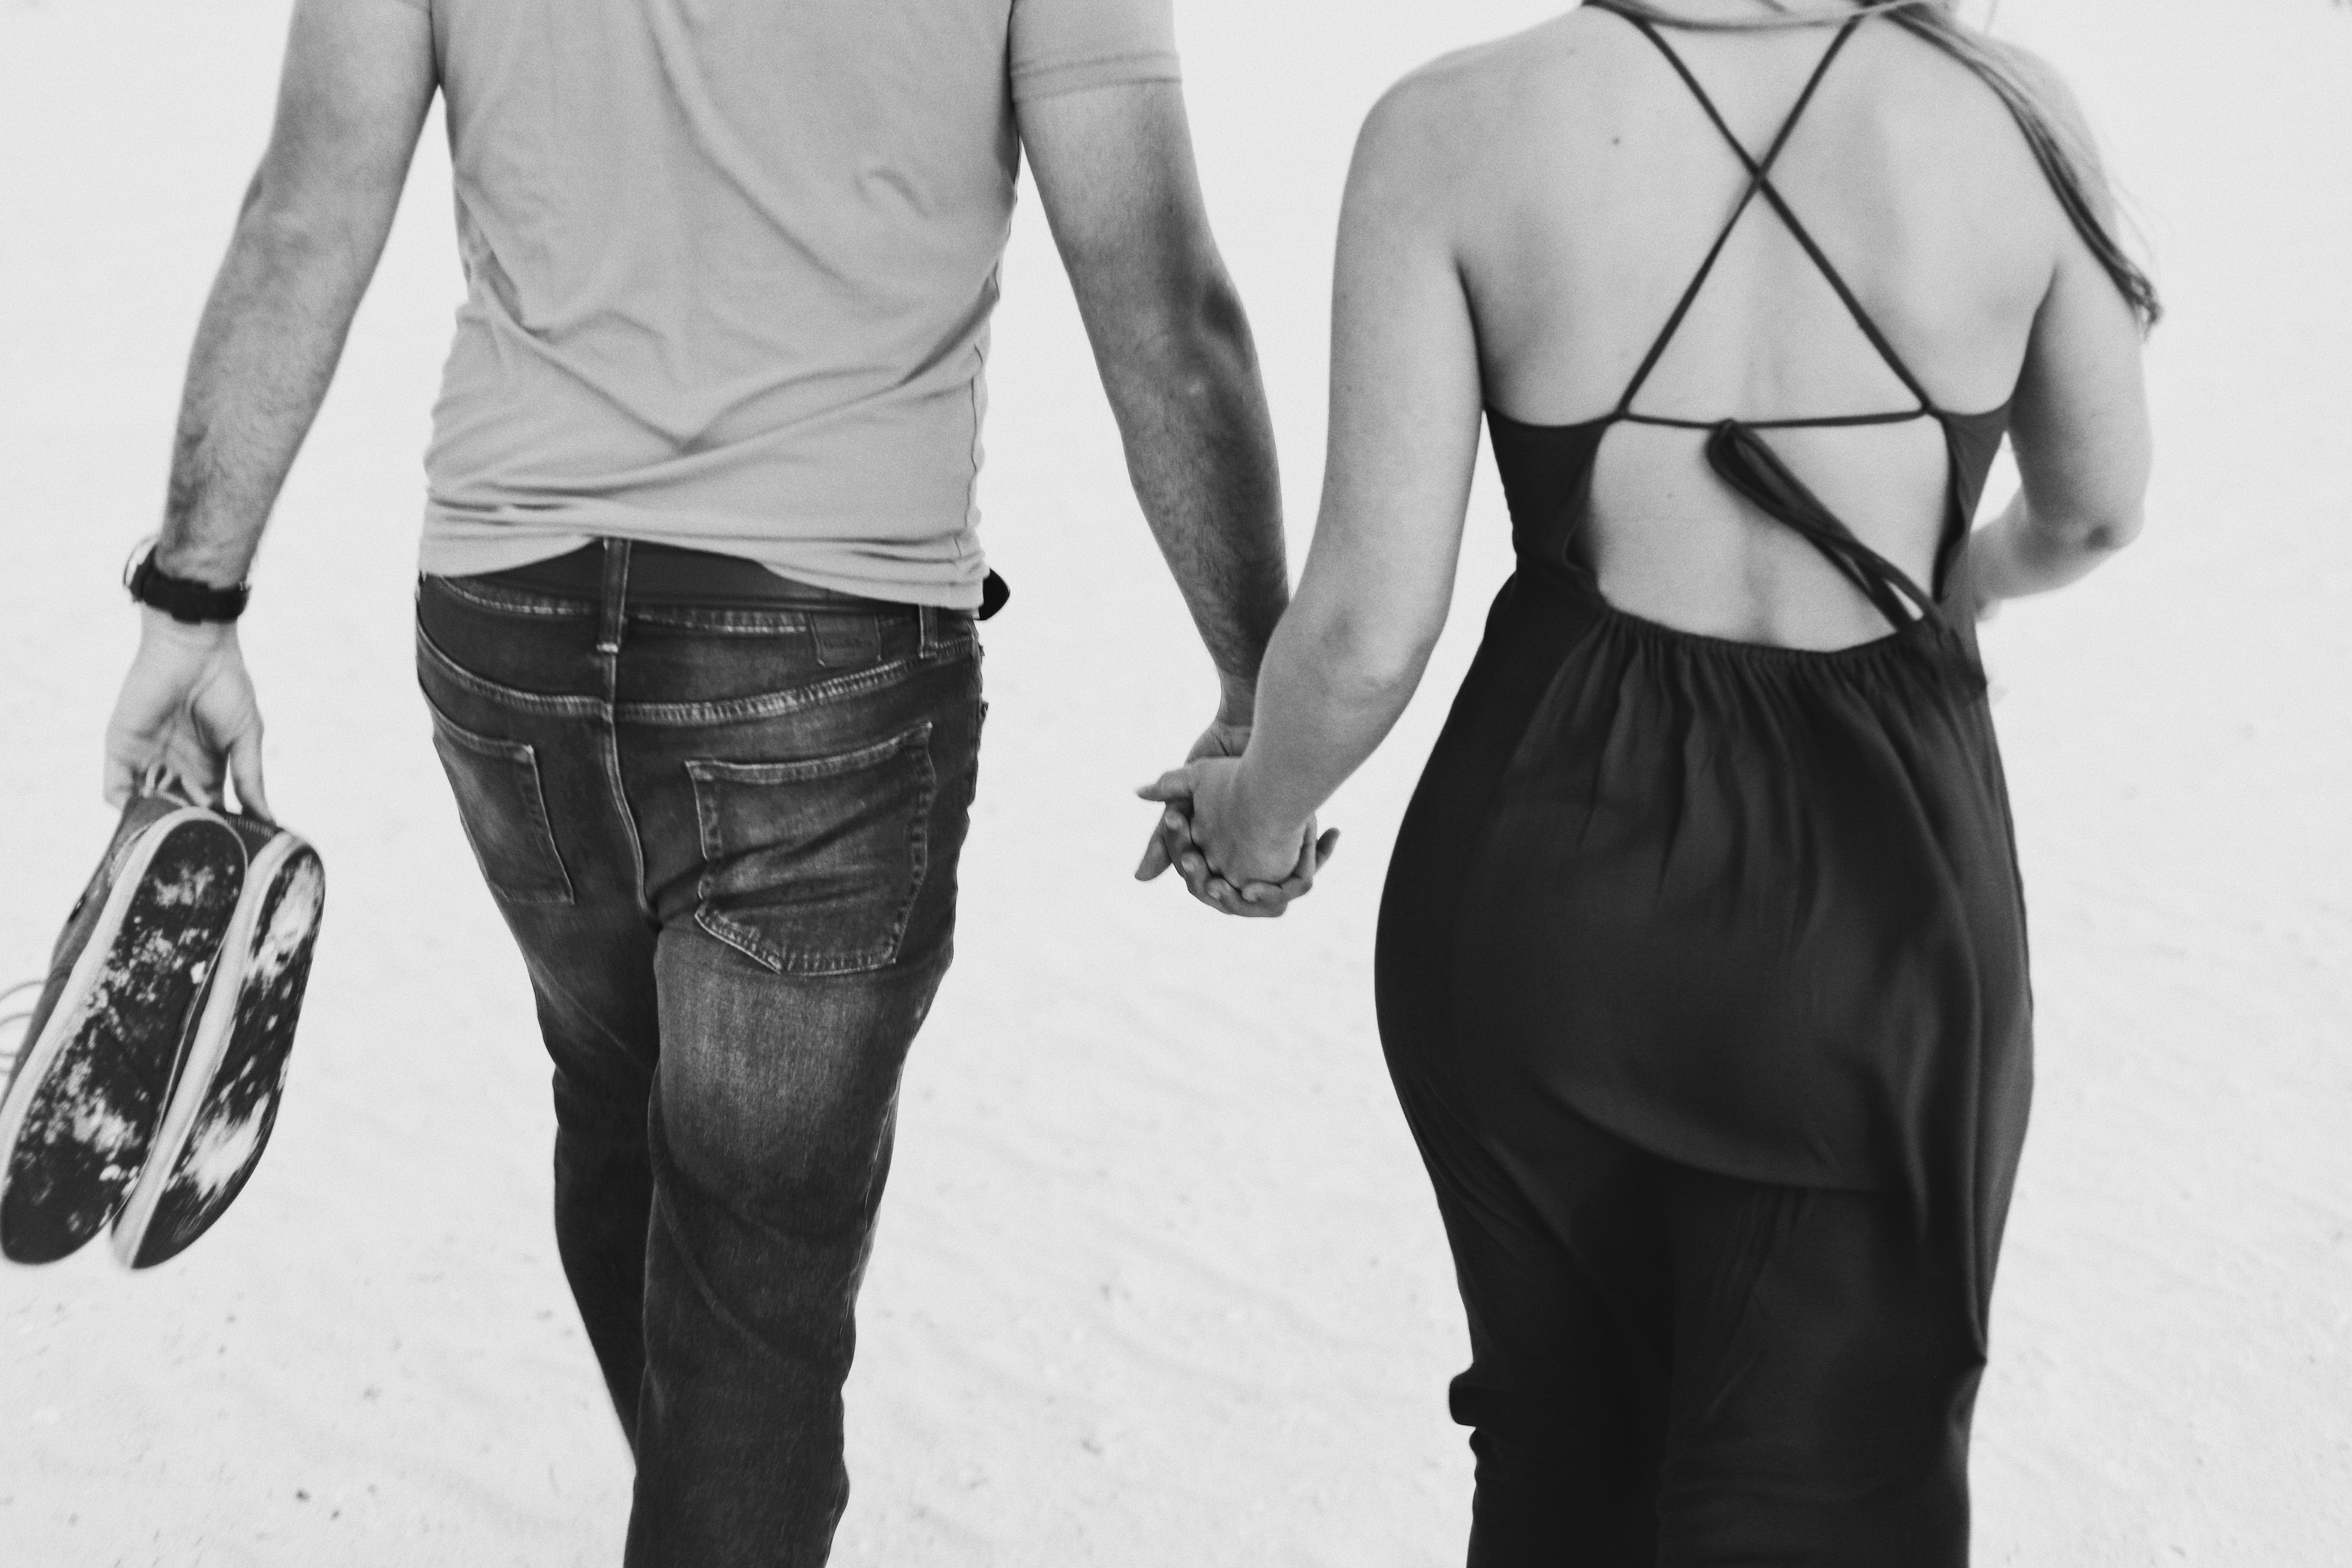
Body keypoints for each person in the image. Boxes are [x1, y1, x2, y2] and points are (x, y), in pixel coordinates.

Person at [96, 0, 1320, 1560]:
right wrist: (1260, 691)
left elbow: (304, 210)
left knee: (619, 1100)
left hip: (511, 627)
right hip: (827, 652)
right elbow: (1161, 297)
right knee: (754, 1262)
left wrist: (193, 602)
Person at [1144, 0, 2153, 1559]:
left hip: (1545, 873)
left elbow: (1366, 632)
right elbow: (2094, 508)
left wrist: (1256, 821)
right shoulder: (2008, 119)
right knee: (1846, 1473)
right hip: (1880, 892)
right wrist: (1967, 587)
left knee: (1563, 1454)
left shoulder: (1452, 126)